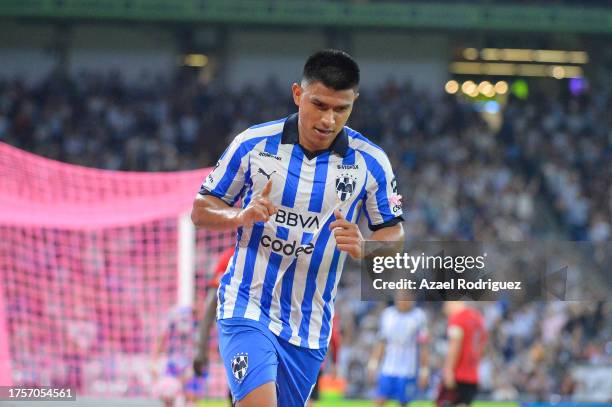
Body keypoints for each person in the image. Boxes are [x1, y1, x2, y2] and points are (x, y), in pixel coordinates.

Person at [191, 49, 405, 407]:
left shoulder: (371, 163)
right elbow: (201, 210)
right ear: (297, 94)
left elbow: (394, 237)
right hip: (247, 304)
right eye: (319, 105)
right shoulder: (253, 145)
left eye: (341, 109)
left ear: (354, 102)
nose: (328, 119)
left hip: (308, 326)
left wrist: (365, 247)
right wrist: (239, 217)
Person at [367, 294, 429, 407]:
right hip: (388, 367)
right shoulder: (388, 315)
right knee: (380, 399)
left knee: (403, 402)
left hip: (408, 370)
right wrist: (373, 364)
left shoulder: (419, 316)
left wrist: (424, 370)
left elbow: (423, 345)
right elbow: (381, 341)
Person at [193, 246, 235, 405]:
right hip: (235, 335)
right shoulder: (229, 257)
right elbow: (208, 313)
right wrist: (200, 352)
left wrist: (200, 351)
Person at [437, 301, 487, 407]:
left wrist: (448, 370)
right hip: (473, 375)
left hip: (458, 374)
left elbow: (455, 346)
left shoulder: (457, 319)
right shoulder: (478, 318)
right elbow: (483, 346)